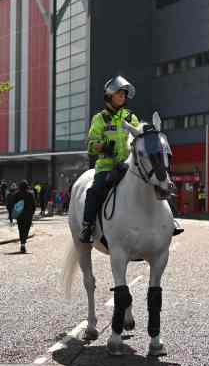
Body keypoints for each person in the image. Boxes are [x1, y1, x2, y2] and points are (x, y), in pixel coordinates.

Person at [79, 75, 185, 243]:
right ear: (109, 95)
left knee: (158, 180)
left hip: (129, 165)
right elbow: (90, 144)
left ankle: (170, 220)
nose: (123, 97)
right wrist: (104, 146)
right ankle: (88, 226)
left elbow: (140, 137)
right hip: (107, 166)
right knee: (95, 190)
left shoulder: (130, 117)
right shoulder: (100, 119)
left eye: (124, 94)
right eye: (119, 93)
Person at [7, 180, 36, 253]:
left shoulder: (16, 194)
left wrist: (13, 215)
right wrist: (32, 214)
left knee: (21, 229)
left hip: (20, 215)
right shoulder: (30, 194)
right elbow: (33, 205)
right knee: (26, 230)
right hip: (28, 215)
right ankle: (23, 243)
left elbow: (13, 205)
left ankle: (22, 244)